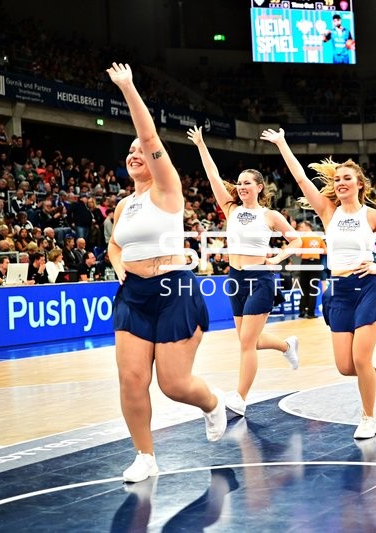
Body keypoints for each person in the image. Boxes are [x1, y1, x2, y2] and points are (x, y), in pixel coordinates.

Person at [106, 63, 226, 484]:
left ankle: (212, 403)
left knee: (173, 385)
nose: (135, 153)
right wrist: (119, 265)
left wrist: (128, 88)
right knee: (131, 379)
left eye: (140, 149)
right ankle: (145, 456)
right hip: (133, 295)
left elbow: (150, 136)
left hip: (174, 289)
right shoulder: (123, 205)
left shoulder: (167, 188)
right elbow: (115, 244)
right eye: (129, 151)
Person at [261, 127, 376, 440]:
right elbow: (301, 178)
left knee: (360, 358)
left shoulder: (371, 215)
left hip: (369, 287)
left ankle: (368, 418)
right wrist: (282, 143)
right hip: (339, 291)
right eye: (337, 179)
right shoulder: (328, 211)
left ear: (359, 184)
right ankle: (373, 371)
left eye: (347, 178)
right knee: (346, 366)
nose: (341, 182)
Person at [188, 125, 301, 419]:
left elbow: (297, 240)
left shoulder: (270, 215)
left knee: (247, 343)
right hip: (235, 279)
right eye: (239, 183)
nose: (241, 187)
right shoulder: (231, 209)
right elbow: (213, 176)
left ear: (259, 187)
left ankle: (240, 397)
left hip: (260, 279)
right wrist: (201, 145)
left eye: (247, 183)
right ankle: (287, 345)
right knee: (247, 339)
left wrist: (279, 257)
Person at [296, 220, 325, 318]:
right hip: (315, 264)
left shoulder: (302, 238)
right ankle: (311, 313)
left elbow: (298, 254)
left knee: (304, 287)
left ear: (308, 227)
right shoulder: (318, 237)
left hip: (305, 263)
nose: (300, 229)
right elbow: (325, 251)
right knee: (313, 288)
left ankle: (302, 311)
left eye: (302, 227)